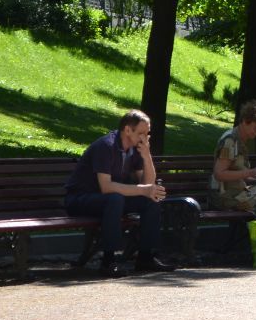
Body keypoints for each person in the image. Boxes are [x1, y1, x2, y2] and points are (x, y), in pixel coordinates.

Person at [63, 110, 176, 277]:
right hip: (80, 200)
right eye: (141, 133)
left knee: (151, 199)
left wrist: (146, 155)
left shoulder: (136, 148)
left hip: (109, 200)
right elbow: (106, 187)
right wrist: (144, 189)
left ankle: (145, 257)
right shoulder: (106, 146)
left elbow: (148, 184)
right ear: (127, 130)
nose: (145, 138)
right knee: (115, 198)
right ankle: (108, 261)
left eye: (147, 133)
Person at [210, 100, 256, 219]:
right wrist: (250, 172)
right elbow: (219, 174)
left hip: (238, 193)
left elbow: (241, 174)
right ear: (245, 121)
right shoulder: (230, 141)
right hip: (225, 197)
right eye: (255, 128)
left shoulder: (241, 141)